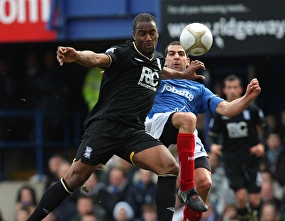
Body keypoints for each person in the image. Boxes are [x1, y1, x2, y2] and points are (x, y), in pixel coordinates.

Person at [27, 13, 207, 221]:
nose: (148, 38)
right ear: (134, 36)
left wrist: (183, 75)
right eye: (142, 34)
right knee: (75, 178)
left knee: (169, 167)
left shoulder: (157, 59)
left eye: (152, 33)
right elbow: (97, 58)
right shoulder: (123, 53)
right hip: (105, 128)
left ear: (157, 34)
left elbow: (161, 70)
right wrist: (76, 55)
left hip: (133, 132)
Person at [145, 41, 262, 221]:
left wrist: (247, 98)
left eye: (181, 54)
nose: (176, 57)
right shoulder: (155, 77)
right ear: (165, 61)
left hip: (186, 134)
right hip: (159, 128)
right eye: (172, 54)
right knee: (187, 118)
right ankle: (185, 187)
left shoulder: (198, 89)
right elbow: (135, 71)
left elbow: (227, 109)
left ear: (188, 60)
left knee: (205, 183)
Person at [207, 74, 267, 221]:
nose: (232, 91)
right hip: (231, 159)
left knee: (254, 200)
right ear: (224, 90)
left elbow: (267, 128)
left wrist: (262, 144)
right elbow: (211, 134)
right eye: (229, 88)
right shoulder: (220, 112)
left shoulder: (252, 109)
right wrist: (213, 145)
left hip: (251, 157)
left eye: (235, 87)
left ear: (241, 89)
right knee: (240, 197)